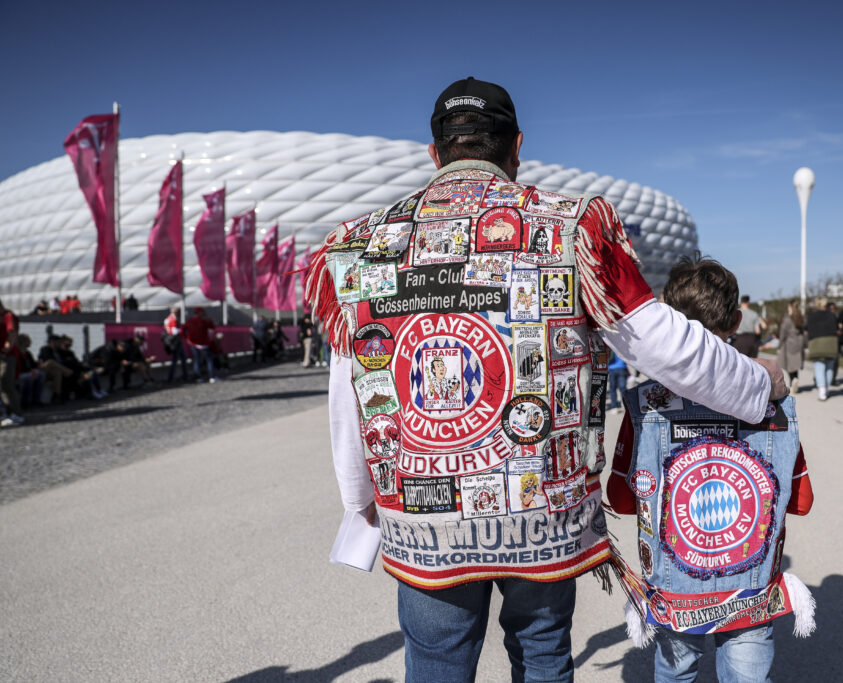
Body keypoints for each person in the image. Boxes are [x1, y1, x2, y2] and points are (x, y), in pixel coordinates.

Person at [304, 78, 788, 682]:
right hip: (543, 513)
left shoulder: (360, 248)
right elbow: (664, 345)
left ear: (434, 152)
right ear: (515, 148)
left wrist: (364, 509)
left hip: (425, 521)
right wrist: (759, 380)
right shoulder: (571, 227)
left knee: (435, 663)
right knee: (540, 657)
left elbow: (351, 393)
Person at [607, 255, 815, 682]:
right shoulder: (772, 400)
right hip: (750, 589)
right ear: (737, 319)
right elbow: (802, 499)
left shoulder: (644, 403)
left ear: (667, 319)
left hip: (673, 585)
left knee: (675, 672)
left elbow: (622, 498)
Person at [806, 297, 839, 401]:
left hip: (816, 342)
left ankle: (822, 390)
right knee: (829, 366)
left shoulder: (811, 317)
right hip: (831, 342)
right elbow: (837, 328)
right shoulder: (832, 315)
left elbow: (806, 330)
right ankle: (827, 388)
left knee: (819, 367)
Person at [0, 298, 25, 425]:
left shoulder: (7, 316)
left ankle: (15, 413)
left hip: (6, 356)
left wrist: (6, 347)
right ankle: (7, 413)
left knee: (6, 383)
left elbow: (12, 333)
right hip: (4, 355)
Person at [777, 299, 805, 394]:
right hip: (799, 343)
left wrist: (779, 345)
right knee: (795, 364)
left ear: (790, 307)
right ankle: (795, 379)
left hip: (789, 344)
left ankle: (793, 381)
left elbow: (783, 333)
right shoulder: (801, 318)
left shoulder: (787, 319)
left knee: (789, 365)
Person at [184, 307, 218, 382]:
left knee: (197, 361)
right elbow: (212, 327)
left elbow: (182, 330)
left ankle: (198, 377)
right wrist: (209, 319)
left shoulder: (190, 321)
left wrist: (187, 339)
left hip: (193, 344)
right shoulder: (203, 321)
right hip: (203, 344)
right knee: (209, 360)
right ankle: (211, 377)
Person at [163, 306, 191, 383]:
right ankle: (171, 377)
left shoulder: (168, 318)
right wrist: (182, 329)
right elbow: (174, 331)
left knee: (182, 359)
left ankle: (184, 375)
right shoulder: (173, 319)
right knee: (176, 360)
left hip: (174, 341)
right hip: (175, 341)